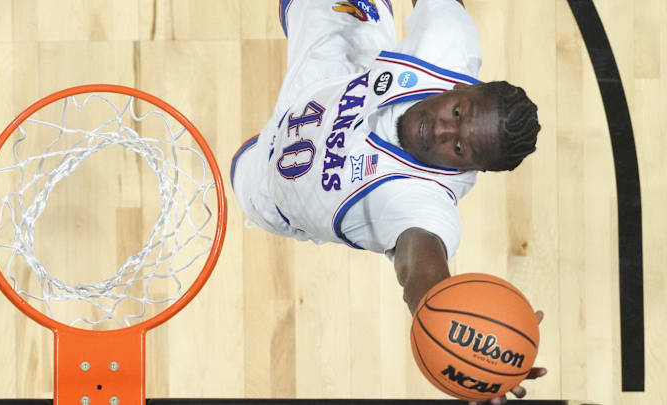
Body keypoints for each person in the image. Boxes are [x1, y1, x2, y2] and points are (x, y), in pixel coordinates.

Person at [231, 0, 545, 403]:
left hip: (271, 184)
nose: (443, 129)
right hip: (332, 74)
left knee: (237, 171)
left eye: (461, 147)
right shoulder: (448, 41)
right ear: (463, 86)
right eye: (457, 110)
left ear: (471, 170)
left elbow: (421, 272)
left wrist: (467, 345)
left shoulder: (423, 205)